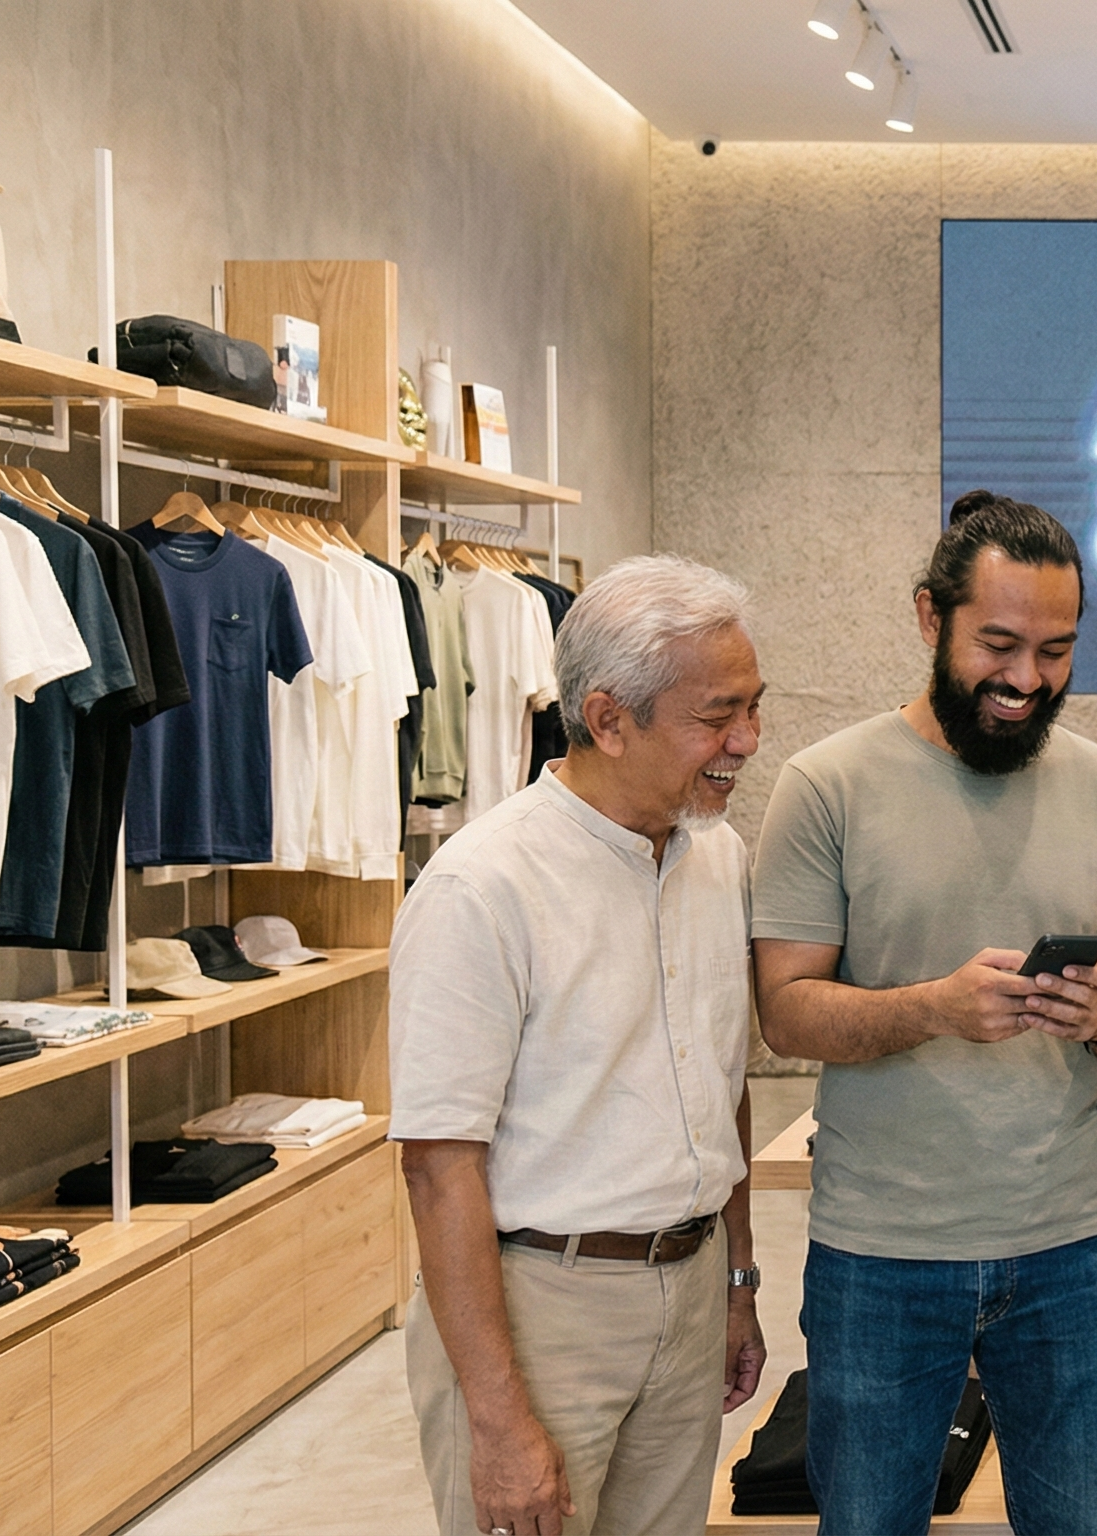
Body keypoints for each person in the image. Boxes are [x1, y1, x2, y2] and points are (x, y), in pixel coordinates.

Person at [751, 490, 1097, 1536]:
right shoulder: (825, 786)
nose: (1028, 679)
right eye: (999, 644)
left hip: (1071, 1242)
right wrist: (933, 1007)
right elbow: (785, 1015)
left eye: (1057, 650)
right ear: (929, 618)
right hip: (879, 1250)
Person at [390, 554, 768, 1536]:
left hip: (687, 1294)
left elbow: (720, 1082)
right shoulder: (484, 887)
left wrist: (735, 1279)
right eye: (716, 716)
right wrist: (498, 1416)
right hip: (538, 1310)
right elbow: (439, 1168)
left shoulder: (716, 855)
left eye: (754, 708)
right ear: (607, 719)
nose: (747, 742)